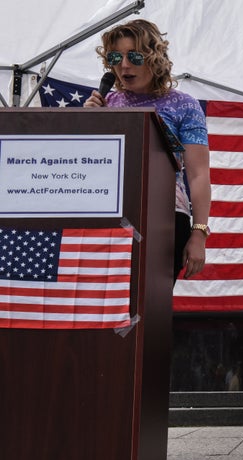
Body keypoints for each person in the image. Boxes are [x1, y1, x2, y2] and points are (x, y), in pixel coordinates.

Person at [84, 19, 211, 282]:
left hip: (165, 217)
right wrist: (89, 123)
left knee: (151, 303)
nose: (124, 65)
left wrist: (199, 234)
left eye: (135, 57)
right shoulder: (106, 103)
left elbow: (198, 174)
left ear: (154, 59)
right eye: (116, 56)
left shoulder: (185, 105)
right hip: (110, 215)